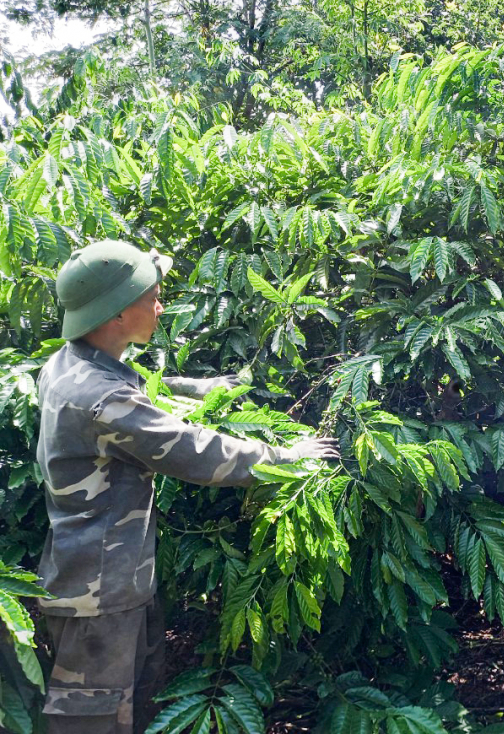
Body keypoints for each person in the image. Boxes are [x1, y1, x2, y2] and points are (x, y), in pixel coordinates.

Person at [36, 239, 339, 734]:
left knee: (131, 705)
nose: (160, 305)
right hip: (99, 594)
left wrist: (205, 387)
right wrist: (288, 459)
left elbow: (136, 389)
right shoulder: (100, 398)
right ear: (115, 314)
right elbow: (194, 451)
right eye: (152, 296)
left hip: (106, 576)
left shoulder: (69, 363)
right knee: (94, 720)